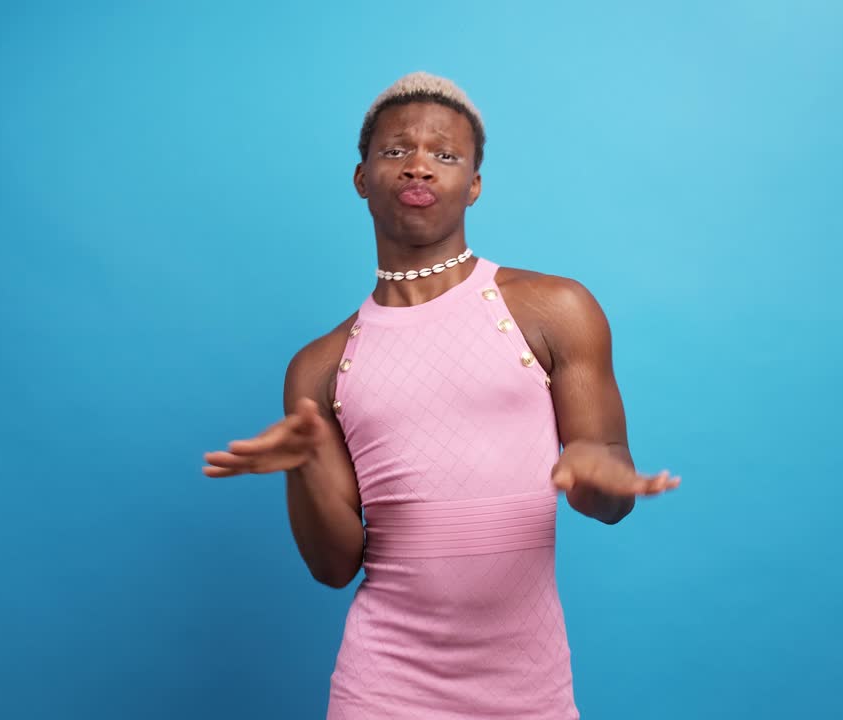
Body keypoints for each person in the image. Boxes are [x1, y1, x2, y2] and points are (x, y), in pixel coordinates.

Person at [202, 71, 680, 719]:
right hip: (383, 686)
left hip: (527, 687)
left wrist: (600, 470)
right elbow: (334, 567)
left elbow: (609, 501)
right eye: (396, 150)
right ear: (362, 178)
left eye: (445, 155)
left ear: (474, 185)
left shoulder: (554, 309)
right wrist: (304, 464)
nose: (418, 165)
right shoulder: (319, 367)